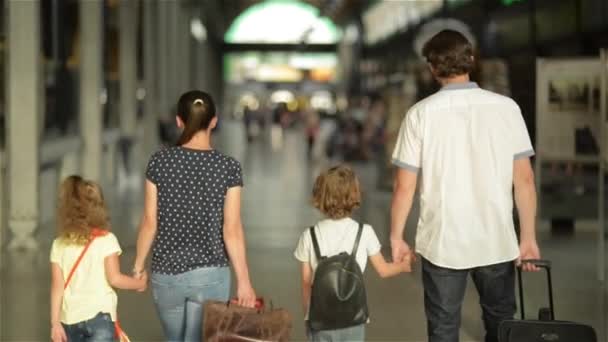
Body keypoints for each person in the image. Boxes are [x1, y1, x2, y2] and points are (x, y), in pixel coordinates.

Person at [390, 30, 540, 342]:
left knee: (443, 329)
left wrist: (396, 237)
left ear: (432, 68)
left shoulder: (420, 115)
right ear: (471, 60)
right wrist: (527, 239)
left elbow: (404, 186)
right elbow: (524, 180)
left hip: (442, 241)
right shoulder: (506, 108)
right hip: (496, 239)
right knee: (501, 324)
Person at [133, 90, 257, 341]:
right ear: (214, 121)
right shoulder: (228, 167)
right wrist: (244, 280)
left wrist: (138, 266)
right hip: (211, 275)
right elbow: (231, 229)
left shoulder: (159, 162)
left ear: (179, 121)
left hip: (166, 274)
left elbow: (149, 222)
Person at [295, 165, 412, 342]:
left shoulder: (309, 236)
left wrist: (308, 317)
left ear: (321, 196)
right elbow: (383, 270)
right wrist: (403, 265)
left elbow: (305, 283)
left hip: (321, 319)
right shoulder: (364, 232)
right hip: (353, 318)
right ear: (355, 195)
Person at [50, 175, 147, 342]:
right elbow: (114, 278)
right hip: (99, 319)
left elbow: (57, 288)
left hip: (69, 321)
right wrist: (140, 283)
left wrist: (55, 324)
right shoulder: (106, 240)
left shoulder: (59, 244)